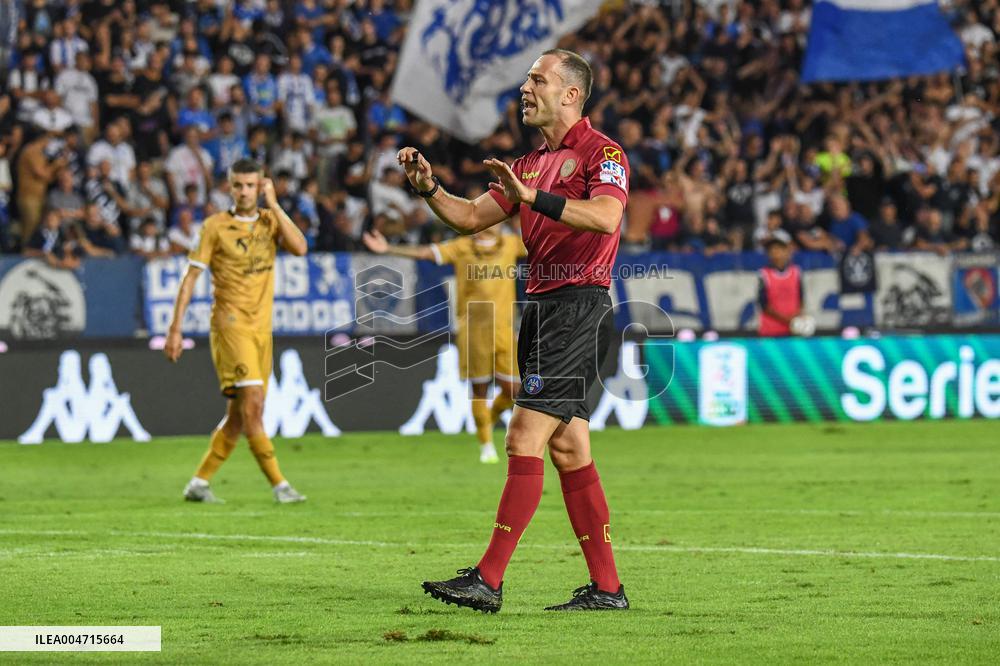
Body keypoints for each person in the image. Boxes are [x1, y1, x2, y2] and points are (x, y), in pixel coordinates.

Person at [407, 49, 630, 612]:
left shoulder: (603, 153)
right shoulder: (527, 164)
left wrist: (534, 199)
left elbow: (606, 216)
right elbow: (469, 216)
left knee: (522, 437)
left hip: (578, 305)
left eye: (538, 80)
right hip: (540, 307)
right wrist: (430, 188)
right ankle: (607, 589)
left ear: (571, 94)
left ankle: (488, 578)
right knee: (569, 445)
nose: (526, 88)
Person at [163, 158, 309, 504]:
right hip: (230, 325)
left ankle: (198, 483)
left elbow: (301, 248)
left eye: (251, 185)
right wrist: (175, 329)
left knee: (239, 416)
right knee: (254, 406)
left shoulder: (271, 221)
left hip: (262, 330)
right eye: (238, 185)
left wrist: (274, 204)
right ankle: (280, 485)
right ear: (229, 187)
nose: (244, 192)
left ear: (261, 186)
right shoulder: (215, 226)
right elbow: (190, 278)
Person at [362, 224, 527, 463]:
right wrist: (388, 248)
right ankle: (486, 445)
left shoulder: (511, 244)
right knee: (480, 389)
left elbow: (545, 242)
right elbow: (425, 253)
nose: (492, 222)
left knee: (515, 391)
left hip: (505, 329)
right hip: (473, 331)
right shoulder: (462, 247)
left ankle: (487, 420)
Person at [757, 229, 803, 337]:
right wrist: (786, 319)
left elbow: (801, 298)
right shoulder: (763, 275)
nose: (775, 253)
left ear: (787, 251)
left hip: (793, 329)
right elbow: (763, 304)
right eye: (771, 250)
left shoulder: (796, 272)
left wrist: (796, 316)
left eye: (778, 249)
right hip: (770, 331)